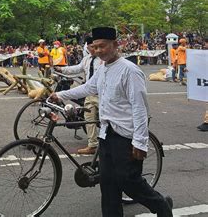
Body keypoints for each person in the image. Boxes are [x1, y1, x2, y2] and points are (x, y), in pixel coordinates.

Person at [49, 27, 173, 217]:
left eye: (102, 46)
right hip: (106, 134)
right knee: (108, 187)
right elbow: (88, 87)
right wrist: (60, 95)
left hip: (126, 137)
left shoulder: (130, 71)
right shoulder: (103, 68)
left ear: (116, 45)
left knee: (130, 183)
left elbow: (140, 108)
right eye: (95, 47)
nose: (98, 51)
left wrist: (140, 142)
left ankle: (162, 206)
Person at [54, 36, 102, 154]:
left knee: (108, 121)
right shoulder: (86, 59)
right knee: (88, 119)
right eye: (91, 46)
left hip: (102, 96)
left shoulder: (103, 60)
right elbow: (77, 68)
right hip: (90, 95)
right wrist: (61, 70)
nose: (93, 49)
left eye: (95, 46)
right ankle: (92, 145)